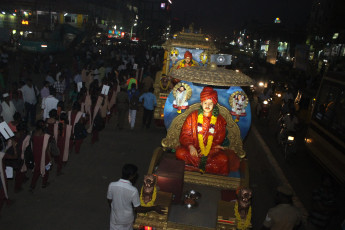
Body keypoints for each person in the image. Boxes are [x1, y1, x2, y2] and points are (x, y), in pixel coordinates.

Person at [175, 86, 231, 175]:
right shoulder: (192, 116)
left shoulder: (219, 120)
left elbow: (219, 140)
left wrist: (208, 151)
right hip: (193, 152)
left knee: (223, 159)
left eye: (210, 103)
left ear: (214, 104)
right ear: (201, 103)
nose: (207, 106)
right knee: (180, 153)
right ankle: (203, 167)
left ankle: (194, 167)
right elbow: (185, 134)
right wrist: (190, 146)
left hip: (210, 152)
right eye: (205, 103)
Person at [107, 164, 163, 230]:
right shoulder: (133, 190)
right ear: (131, 176)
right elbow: (138, 209)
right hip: (127, 220)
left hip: (115, 218)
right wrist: (154, 208)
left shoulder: (112, 185)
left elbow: (109, 200)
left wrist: (116, 208)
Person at [29, 120, 52, 191]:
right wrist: (50, 159)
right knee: (46, 170)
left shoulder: (33, 134)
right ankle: (44, 183)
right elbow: (47, 149)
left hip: (36, 155)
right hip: (44, 156)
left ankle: (32, 185)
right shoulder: (46, 137)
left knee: (36, 171)